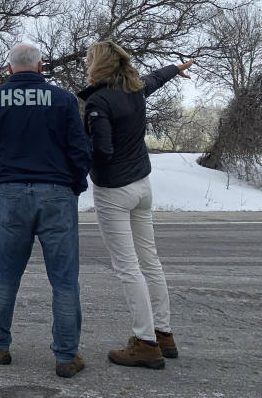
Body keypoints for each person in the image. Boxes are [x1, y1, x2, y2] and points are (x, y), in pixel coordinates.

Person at [0, 43, 93, 379]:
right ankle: (67, 357)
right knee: (65, 282)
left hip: (12, 194)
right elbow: (80, 149)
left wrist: (1, 180)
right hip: (57, 194)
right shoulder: (64, 99)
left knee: (5, 276)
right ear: (41, 67)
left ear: (9, 69)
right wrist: (74, 185)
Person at [78, 40, 194, 369]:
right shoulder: (134, 89)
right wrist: (177, 68)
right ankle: (164, 333)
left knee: (128, 267)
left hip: (114, 191)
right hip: (143, 186)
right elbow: (156, 78)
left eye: (89, 59)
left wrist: (77, 151)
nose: (87, 64)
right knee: (150, 261)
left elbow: (102, 151)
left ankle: (145, 342)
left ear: (98, 64)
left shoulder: (99, 100)